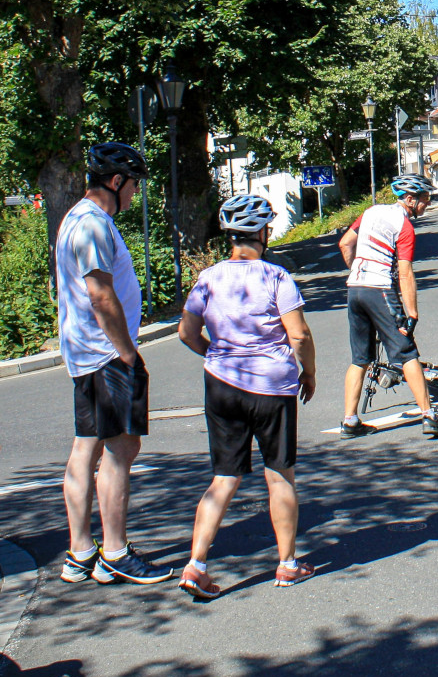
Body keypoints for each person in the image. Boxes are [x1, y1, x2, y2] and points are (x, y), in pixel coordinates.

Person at [177, 195, 317, 598]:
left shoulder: (208, 278)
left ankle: (196, 564)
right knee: (280, 474)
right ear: (261, 233)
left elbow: (186, 333)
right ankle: (287, 564)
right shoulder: (276, 277)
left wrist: (216, 355)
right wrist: (307, 372)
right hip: (272, 387)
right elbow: (299, 334)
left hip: (222, 384)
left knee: (223, 477)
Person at [57, 142, 172, 585]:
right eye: (134, 185)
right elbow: (100, 294)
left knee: (86, 448)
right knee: (121, 450)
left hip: (84, 351)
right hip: (105, 354)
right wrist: (127, 351)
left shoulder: (74, 218)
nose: (134, 195)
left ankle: (80, 552)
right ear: (117, 181)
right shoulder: (92, 224)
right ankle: (115, 553)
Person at [339, 175, 438, 438]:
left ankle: (350, 421)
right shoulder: (404, 226)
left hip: (355, 289)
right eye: (424, 200)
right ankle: (429, 416)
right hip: (380, 290)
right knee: (407, 353)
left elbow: (345, 244)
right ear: (410, 199)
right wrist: (412, 314)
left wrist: (357, 272)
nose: (426, 205)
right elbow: (405, 272)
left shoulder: (371, 211)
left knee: (360, 358)